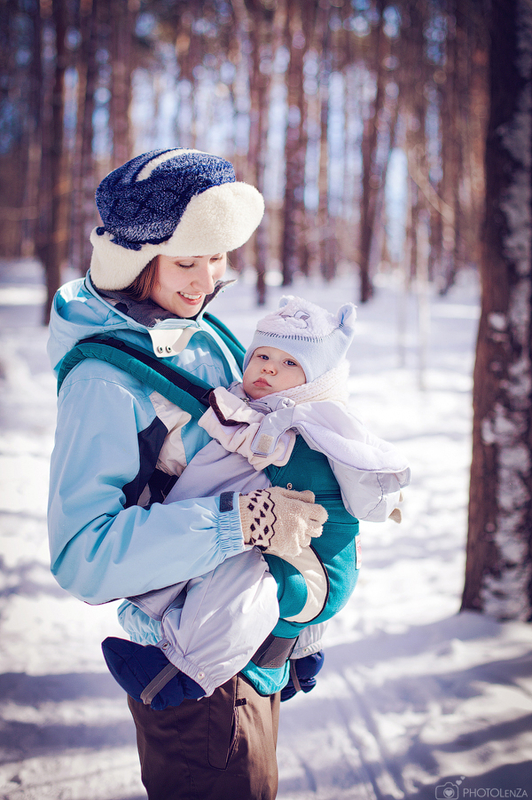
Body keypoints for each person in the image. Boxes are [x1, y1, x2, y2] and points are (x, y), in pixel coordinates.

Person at [47, 148, 330, 800]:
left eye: (217, 257)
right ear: (136, 259)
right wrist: (242, 523)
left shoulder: (203, 335)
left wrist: (295, 617)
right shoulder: (104, 381)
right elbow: (82, 556)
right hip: (188, 675)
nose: (207, 280)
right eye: (186, 262)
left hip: (248, 650)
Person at [101, 294, 411, 711]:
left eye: (290, 363)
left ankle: (183, 671)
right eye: (262, 355)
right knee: (261, 566)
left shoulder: (299, 427)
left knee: (236, 571)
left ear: (316, 382)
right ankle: (293, 659)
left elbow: (226, 423)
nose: (268, 368)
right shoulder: (271, 413)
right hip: (309, 563)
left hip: (318, 574)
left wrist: (131, 366)